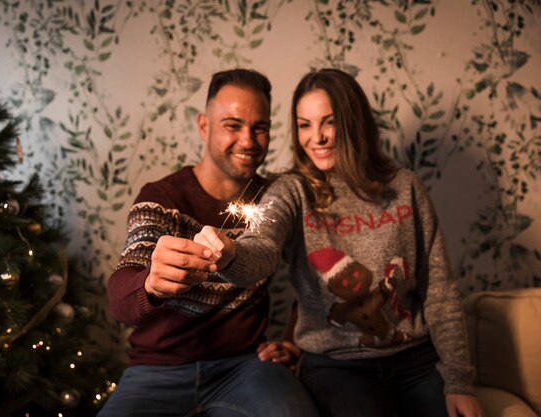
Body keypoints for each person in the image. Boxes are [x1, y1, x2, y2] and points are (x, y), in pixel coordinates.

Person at [195, 68, 487, 417]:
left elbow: (439, 289)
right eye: (304, 125)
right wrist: (231, 255)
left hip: (416, 361)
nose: (316, 137)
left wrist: (458, 383)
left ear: (353, 121)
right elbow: (262, 248)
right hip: (336, 368)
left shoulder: (405, 188)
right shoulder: (292, 191)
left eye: (328, 122)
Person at [99, 69, 319, 417]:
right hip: (157, 369)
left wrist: (292, 340)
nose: (248, 141)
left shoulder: (275, 199)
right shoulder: (162, 198)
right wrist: (151, 284)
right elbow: (120, 301)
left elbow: (313, 275)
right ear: (204, 126)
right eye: (232, 125)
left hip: (245, 367)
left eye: (259, 128)